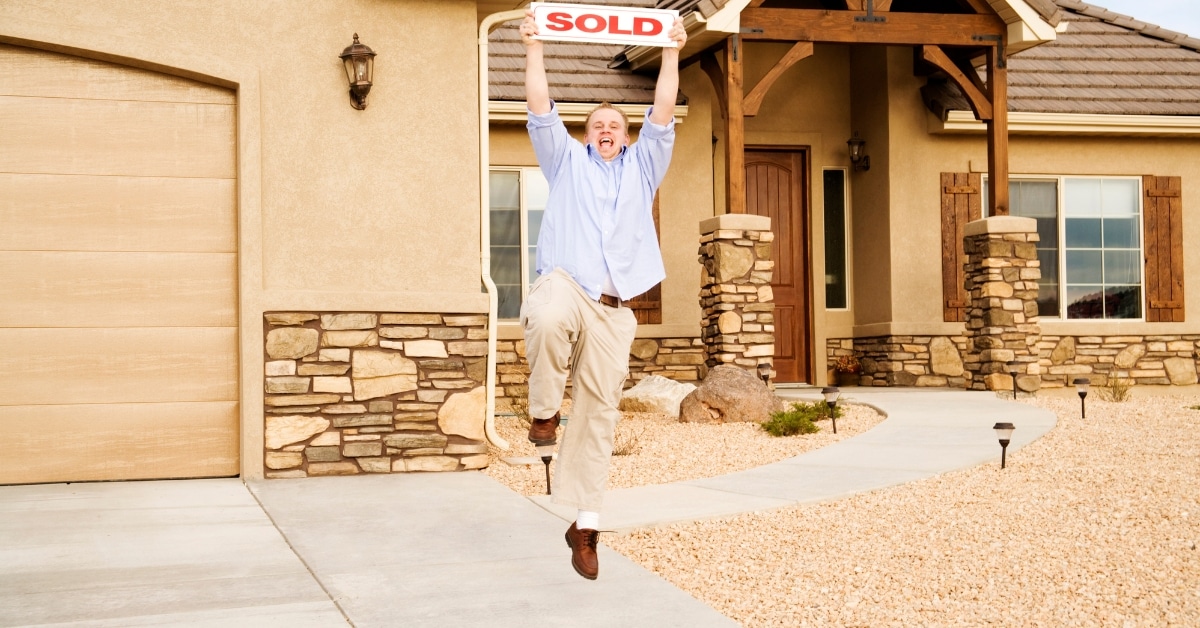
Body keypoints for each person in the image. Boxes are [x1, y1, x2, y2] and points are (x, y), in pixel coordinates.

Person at [518, 9, 686, 581]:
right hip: (569, 285)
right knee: (544, 314)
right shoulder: (564, 162)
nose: (606, 129)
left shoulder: (644, 166)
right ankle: (543, 413)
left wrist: (670, 50)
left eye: (615, 123)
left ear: (628, 133)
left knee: (600, 415)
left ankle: (584, 526)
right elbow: (540, 105)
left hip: (616, 311)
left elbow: (663, 108)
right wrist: (535, 45)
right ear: (586, 134)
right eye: (596, 124)